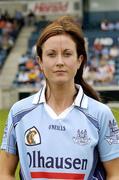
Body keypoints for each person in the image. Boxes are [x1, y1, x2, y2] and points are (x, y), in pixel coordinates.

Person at [0, 15, 119, 180]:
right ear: (40, 62)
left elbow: (115, 174)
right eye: (51, 54)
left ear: (79, 61)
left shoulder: (101, 114)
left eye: (67, 54)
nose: (60, 62)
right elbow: (4, 173)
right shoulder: (18, 112)